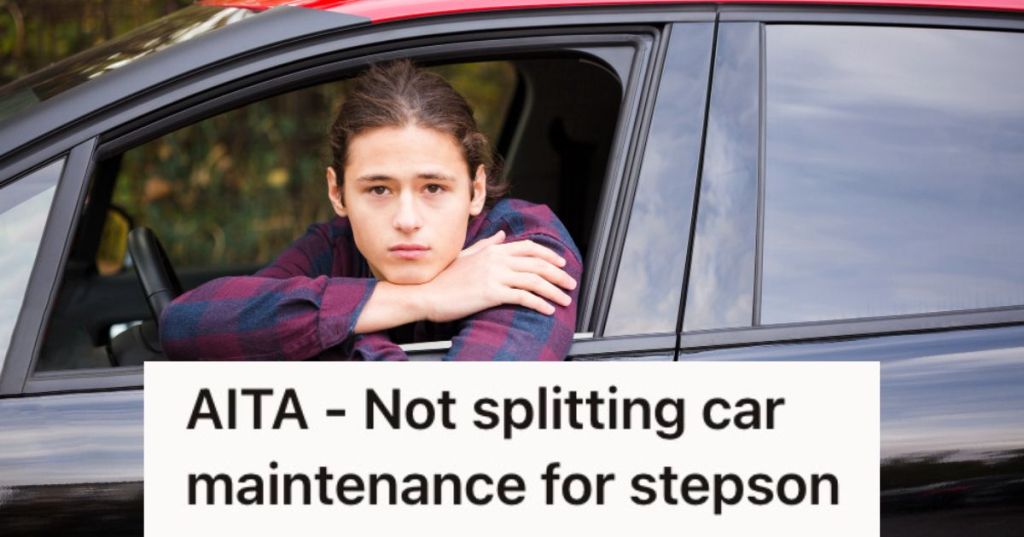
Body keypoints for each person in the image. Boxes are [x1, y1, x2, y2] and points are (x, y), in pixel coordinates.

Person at [159, 60, 582, 361]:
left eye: (433, 187)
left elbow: (465, 425)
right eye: (379, 189)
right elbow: (186, 324)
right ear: (338, 192)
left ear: (475, 189)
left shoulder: (524, 251)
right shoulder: (340, 243)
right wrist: (424, 299)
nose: (407, 219)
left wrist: (336, 336)